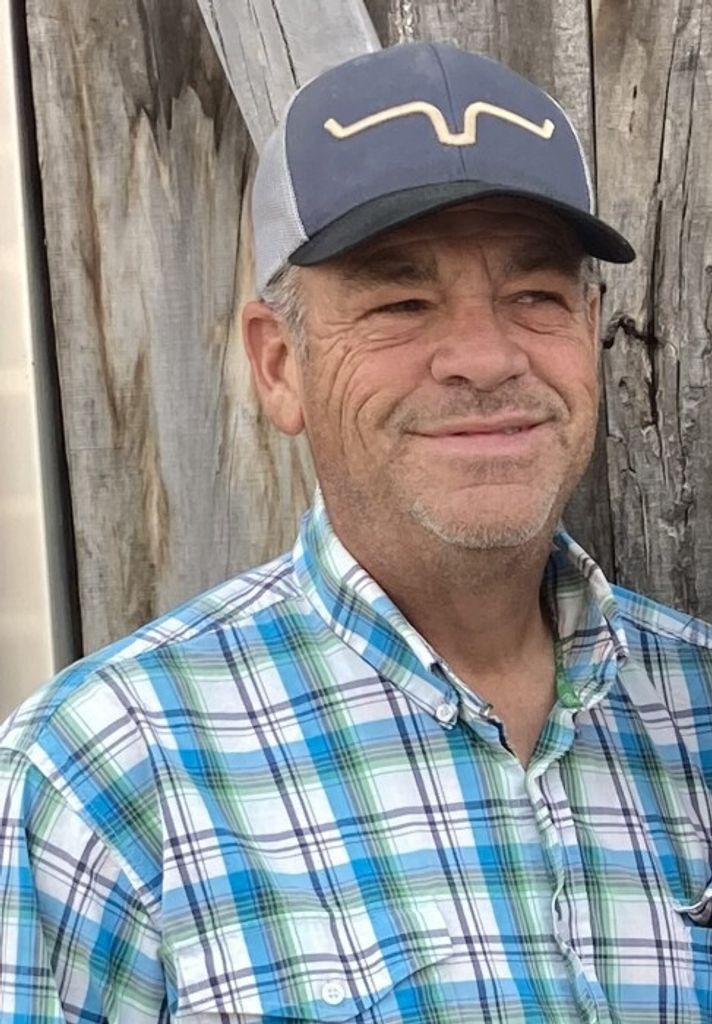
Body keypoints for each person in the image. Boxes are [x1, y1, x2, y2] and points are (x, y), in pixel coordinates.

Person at [0, 39, 710, 1024]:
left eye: (535, 295)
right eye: (401, 302)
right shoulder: (104, 778)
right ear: (279, 364)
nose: (484, 356)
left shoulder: (698, 705)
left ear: (589, 328)